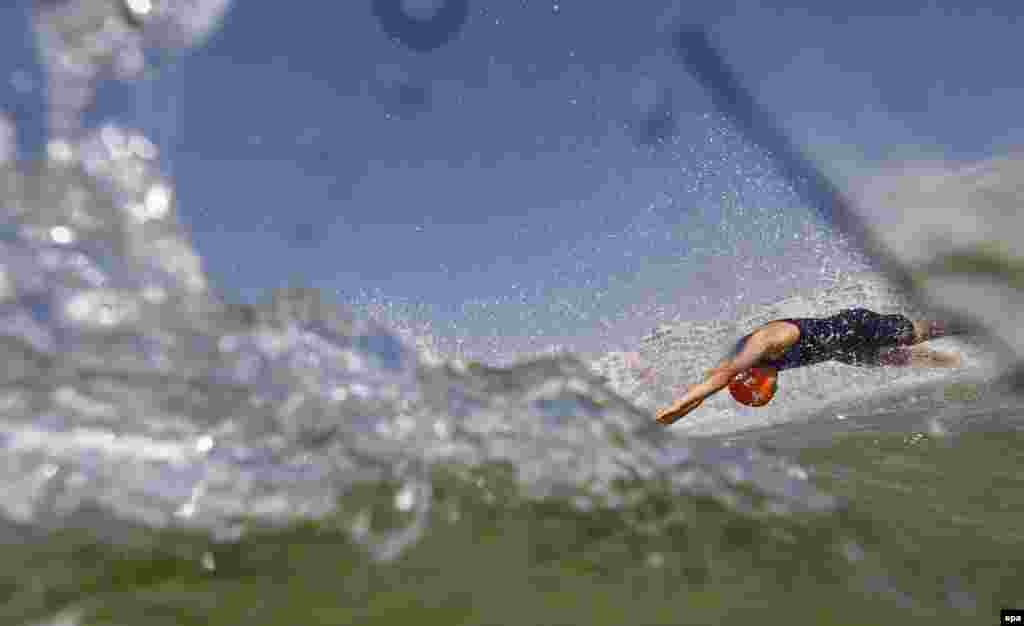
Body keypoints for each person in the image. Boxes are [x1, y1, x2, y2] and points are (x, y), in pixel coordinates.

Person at [655, 308, 965, 425]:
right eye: (769, 392)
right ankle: (960, 363)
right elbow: (715, 377)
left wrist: (679, 405)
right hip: (840, 351)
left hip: (852, 328)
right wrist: (685, 409)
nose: (774, 386)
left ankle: (961, 321)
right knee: (903, 360)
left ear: (750, 375)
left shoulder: (764, 344)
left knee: (912, 336)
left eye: (767, 388)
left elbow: (720, 376)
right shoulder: (751, 368)